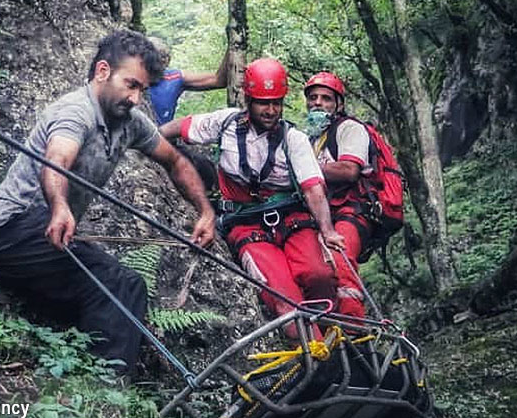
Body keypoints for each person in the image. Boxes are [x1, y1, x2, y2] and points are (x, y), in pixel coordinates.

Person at [0, 30, 216, 375]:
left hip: (50, 239)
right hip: (10, 229)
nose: (135, 98)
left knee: (123, 293)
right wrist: (59, 207)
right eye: (130, 84)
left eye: (142, 90)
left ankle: (98, 376)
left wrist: (205, 212)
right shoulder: (76, 112)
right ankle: (106, 393)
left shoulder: (130, 122)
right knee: (120, 283)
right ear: (102, 71)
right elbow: (56, 159)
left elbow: (175, 161)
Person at [159, 58, 345, 332]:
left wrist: (327, 230)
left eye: (276, 103)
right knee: (283, 296)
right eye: (263, 103)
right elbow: (182, 126)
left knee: (320, 276)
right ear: (249, 100)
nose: (271, 110)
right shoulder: (225, 124)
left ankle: (333, 338)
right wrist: (150, 138)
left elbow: (313, 187)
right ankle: (311, 352)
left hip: (291, 220)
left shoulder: (293, 139)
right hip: (245, 224)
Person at [303, 72, 373, 320]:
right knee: (314, 270)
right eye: (313, 98)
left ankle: (356, 332)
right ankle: (330, 329)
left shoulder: (349, 129)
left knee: (340, 263)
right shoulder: (310, 139)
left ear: (338, 104)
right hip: (321, 216)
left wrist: (302, 168)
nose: (318, 103)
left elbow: (349, 170)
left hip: (351, 211)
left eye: (326, 98)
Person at [147, 38, 229, 124]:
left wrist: (232, 46)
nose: (160, 64)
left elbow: (218, 80)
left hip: (161, 134)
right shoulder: (133, 78)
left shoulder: (174, 78)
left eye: (164, 59)